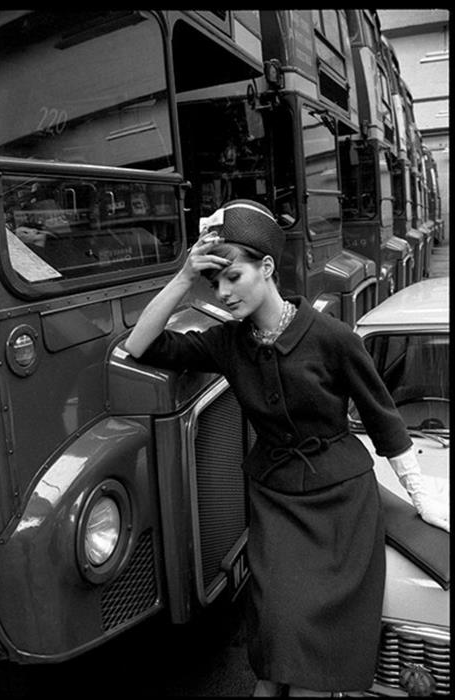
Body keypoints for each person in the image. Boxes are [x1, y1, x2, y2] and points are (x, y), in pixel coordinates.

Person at [124, 199, 449, 697]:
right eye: (217, 283)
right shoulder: (228, 344)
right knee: (278, 630)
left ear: (268, 267)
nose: (225, 292)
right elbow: (139, 345)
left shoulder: (334, 338)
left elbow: (386, 423)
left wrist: (422, 500)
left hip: (342, 505)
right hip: (275, 503)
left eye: (233, 276)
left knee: (312, 668)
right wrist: (185, 277)